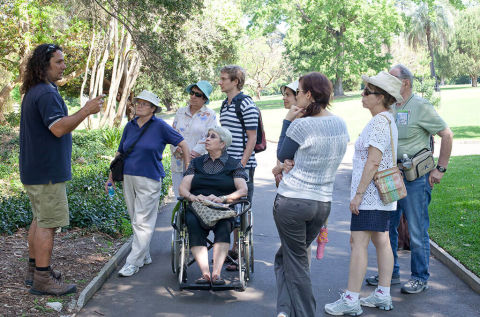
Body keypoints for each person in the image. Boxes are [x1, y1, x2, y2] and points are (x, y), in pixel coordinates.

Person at [19, 44, 104, 295]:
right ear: (44, 64)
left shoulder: (36, 90)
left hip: (36, 171)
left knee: (40, 220)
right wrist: (86, 110)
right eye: (59, 62)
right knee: (47, 225)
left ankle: (34, 271)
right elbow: (57, 128)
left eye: (63, 61)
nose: (64, 66)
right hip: (47, 174)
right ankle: (43, 280)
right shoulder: (45, 93)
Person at [365, 64, 453, 294]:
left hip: (415, 178)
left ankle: (420, 277)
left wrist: (440, 168)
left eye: (392, 78)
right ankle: (390, 272)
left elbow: (447, 134)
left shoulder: (421, 106)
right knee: (388, 227)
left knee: (416, 229)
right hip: (391, 177)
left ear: (405, 82)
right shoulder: (390, 106)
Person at [325, 71, 402, 316]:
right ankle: (383, 293)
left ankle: (351, 299)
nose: (362, 94)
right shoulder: (386, 119)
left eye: (367, 91)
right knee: (381, 240)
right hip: (379, 196)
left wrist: (358, 195)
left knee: (358, 242)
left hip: (370, 196)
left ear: (380, 98)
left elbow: (373, 162)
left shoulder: (380, 122)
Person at [274, 72, 349, 317]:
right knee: (285, 257)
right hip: (322, 204)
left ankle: (304, 313)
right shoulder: (340, 123)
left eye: (297, 91)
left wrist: (288, 120)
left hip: (293, 201)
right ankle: (285, 311)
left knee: (295, 264)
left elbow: (283, 154)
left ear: (308, 94)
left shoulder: (301, 124)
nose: (295, 95)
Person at [106, 90, 190, 277]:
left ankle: (132, 262)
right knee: (135, 217)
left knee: (142, 221)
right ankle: (144, 255)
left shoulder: (160, 126)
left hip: (150, 178)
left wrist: (187, 170)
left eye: (145, 104)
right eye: (138, 103)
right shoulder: (130, 126)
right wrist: (110, 176)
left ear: (153, 109)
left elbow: (183, 144)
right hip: (128, 177)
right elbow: (120, 152)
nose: (140, 106)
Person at [179, 126, 248, 285]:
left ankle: (216, 273)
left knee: (224, 227)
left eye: (212, 136)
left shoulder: (233, 164)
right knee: (193, 224)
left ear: (222, 144)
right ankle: (205, 273)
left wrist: (223, 198)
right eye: (207, 136)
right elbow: (183, 187)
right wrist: (193, 197)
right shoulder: (196, 162)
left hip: (222, 208)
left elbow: (243, 189)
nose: (207, 139)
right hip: (198, 207)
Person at [218, 65, 259, 270]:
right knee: (229, 208)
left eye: (224, 78)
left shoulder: (246, 104)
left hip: (243, 167)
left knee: (241, 210)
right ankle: (233, 250)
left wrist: (241, 166)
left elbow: (253, 138)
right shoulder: (225, 105)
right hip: (227, 166)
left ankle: (241, 255)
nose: (220, 81)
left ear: (235, 81)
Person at [171, 80, 217, 197]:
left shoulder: (210, 115)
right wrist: (177, 148)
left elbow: (209, 136)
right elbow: (172, 133)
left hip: (198, 163)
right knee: (179, 197)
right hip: (178, 160)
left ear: (205, 99)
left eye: (198, 94)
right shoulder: (180, 112)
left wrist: (192, 153)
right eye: (192, 92)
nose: (193, 96)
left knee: (196, 197)